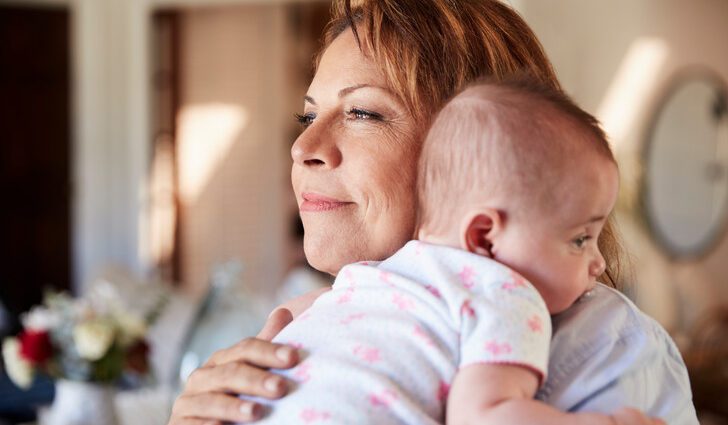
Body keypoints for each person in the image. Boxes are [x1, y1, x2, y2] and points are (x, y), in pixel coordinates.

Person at [168, 1, 697, 424]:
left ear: (480, 153)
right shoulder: (308, 321)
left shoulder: (604, 345)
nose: (303, 144)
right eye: (308, 114)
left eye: (362, 112)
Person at [237, 78, 657, 424]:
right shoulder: (505, 293)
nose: (598, 262)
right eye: (580, 239)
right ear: (484, 237)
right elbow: (484, 417)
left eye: (361, 112)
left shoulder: (366, 282)